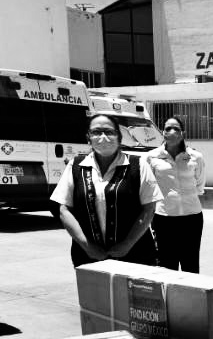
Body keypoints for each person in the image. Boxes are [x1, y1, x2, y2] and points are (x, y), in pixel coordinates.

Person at [51, 114, 162, 267]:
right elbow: (64, 210)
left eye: (109, 132)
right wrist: (87, 246)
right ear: (88, 138)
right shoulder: (76, 166)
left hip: (135, 254)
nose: (103, 137)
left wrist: (127, 244)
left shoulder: (138, 165)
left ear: (119, 137)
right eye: (96, 132)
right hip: (87, 256)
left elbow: (149, 209)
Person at [147, 116, 206, 272]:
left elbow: (199, 185)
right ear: (162, 132)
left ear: (183, 133)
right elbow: (149, 188)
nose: (172, 132)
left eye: (176, 129)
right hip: (163, 219)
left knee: (191, 265)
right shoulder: (151, 157)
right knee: (167, 265)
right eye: (168, 128)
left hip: (192, 218)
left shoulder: (196, 157)